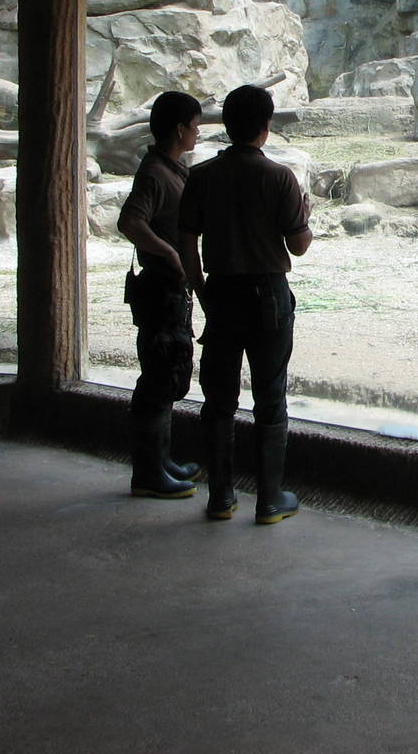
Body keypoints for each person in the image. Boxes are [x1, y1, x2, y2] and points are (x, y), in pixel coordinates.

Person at [178, 84, 313, 524]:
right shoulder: (279, 177)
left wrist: (201, 291)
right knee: (270, 397)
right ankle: (270, 500)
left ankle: (220, 497)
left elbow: (186, 242)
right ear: (266, 127)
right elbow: (298, 247)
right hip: (268, 297)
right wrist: (306, 219)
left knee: (218, 398)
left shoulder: (201, 176)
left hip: (221, 292)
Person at [117, 90, 203, 499]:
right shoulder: (155, 172)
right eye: (195, 125)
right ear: (180, 129)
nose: (198, 132)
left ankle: (161, 461)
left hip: (170, 287)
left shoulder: (170, 168)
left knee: (168, 373)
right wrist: (169, 252)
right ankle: (148, 473)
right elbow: (131, 221)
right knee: (158, 376)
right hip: (159, 287)